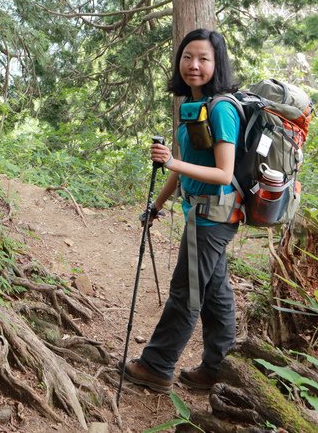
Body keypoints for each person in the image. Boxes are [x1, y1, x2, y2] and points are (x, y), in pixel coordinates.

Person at [123, 28, 241, 393]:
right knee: (214, 293)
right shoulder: (193, 108)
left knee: (186, 294)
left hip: (212, 216)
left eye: (204, 59)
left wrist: (172, 162)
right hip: (205, 214)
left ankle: (157, 367)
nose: (194, 65)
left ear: (217, 64)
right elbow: (184, 167)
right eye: (188, 57)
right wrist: (156, 206)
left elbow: (224, 172)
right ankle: (216, 370)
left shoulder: (221, 110)